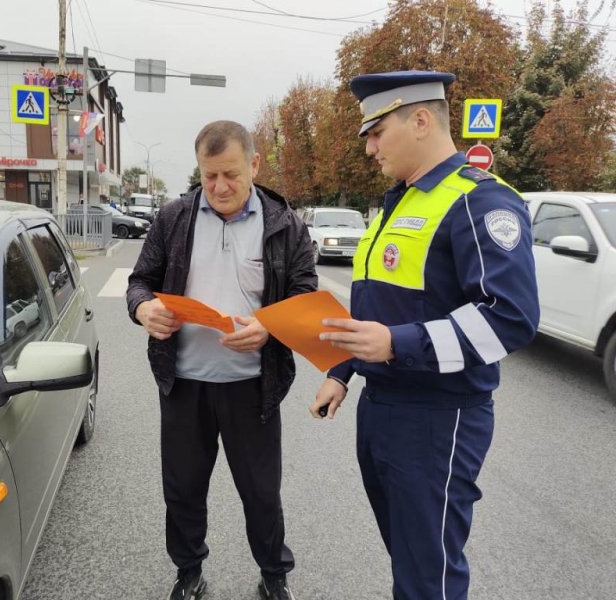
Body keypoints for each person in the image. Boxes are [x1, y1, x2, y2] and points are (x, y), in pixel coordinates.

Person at [310, 71, 539, 599]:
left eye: (375, 132)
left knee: (429, 571)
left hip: (439, 417)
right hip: (383, 406)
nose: (368, 148)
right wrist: (344, 371)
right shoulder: (401, 201)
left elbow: (510, 317)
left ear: (419, 120)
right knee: (410, 557)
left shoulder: (480, 202)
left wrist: (396, 345)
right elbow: (379, 304)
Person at [127, 120, 317, 600]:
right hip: (184, 383)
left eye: (230, 174)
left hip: (252, 386)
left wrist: (270, 327)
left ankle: (274, 575)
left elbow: (305, 296)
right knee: (183, 490)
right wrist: (143, 308)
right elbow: (139, 280)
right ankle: (189, 572)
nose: (219, 187)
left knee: (260, 493)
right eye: (209, 176)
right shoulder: (173, 218)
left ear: (254, 165)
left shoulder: (285, 224)